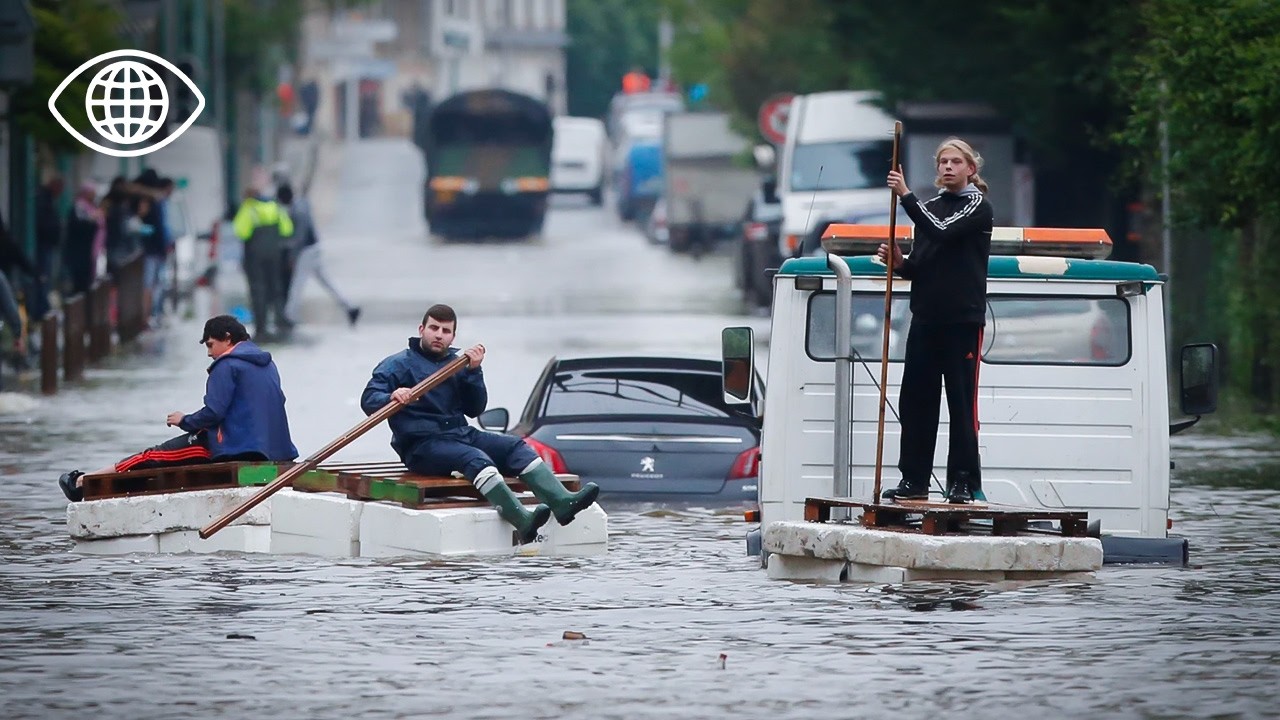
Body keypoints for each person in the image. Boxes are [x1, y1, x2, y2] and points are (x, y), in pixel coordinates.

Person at [361, 304, 599, 543]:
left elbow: (475, 409)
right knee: (475, 458)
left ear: (452, 336)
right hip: (421, 446)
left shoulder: (457, 365)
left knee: (514, 446)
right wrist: (392, 396)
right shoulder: (397, 365)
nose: (438, 335)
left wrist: (475, 372)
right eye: (433, 328)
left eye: (445, 331)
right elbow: (369, 400)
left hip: (459, 433)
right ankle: (522, 520)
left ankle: (562, 502)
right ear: (421, 329)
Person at [57, 315, 299, 502]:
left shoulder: (226, 366)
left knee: (153, 456)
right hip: (272, 450)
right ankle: (88, 478)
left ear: (227, 338)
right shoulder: (267, 364)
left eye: (211, 345)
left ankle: (82, 482)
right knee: (156, 455)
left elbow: (214, 412)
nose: (209, 353)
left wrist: (184, 420)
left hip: (233, 447)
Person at [876, 137, 993, 504]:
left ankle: (961, 479)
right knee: (916, 402)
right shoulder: (927, 208)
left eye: (956, 162)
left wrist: (905, 194)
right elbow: (921, 265)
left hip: (962, 320)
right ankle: (914, 479)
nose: (947, 167)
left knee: (960, 403)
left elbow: (942, 230)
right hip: (925, 318)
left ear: (970, 169)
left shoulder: (977, 206)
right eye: (943, 161)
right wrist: (899, 263)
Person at [277, 183, 361, 328]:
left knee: (298, 284)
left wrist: (291, 255)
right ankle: (349, 308)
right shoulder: (301, 204)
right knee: (326, 282)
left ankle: (289, 316)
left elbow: (299, 238)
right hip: (314, 248)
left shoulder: (297, 211)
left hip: (306, 251)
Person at [233, 171, 294, 339]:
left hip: (254, 256)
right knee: (276, 287)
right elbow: (287, 229)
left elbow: (241, 231)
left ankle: (261, 327)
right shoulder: (275, 207)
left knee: (257, 290)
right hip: (274, 255)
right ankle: (280, 321)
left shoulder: (249, 208)